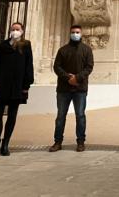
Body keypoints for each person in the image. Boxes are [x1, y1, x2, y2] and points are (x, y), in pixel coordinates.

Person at [0, 22, 34, 158]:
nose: (15, 31)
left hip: (17, 86)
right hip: (2, 84)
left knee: (12, 116)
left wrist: (26, 85)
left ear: (22, 31)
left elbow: (28, 65)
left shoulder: (26, 45)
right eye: (13, 29)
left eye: (17, 29)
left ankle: (5, 143)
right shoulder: (3, 45)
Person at [49, 24, 94, 153]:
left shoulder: (87, 50)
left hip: (80, 89)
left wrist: (77, 78)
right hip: (64, 89)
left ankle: (80, 142)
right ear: (70, 33)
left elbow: (89, 67)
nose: (75, 34)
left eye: (77, 32)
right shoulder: (63, 50)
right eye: (73, 32)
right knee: (60, 116)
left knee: (80, 115)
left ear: (81, 34)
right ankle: (57, 142)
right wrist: (68, 78)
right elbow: (57, 67)